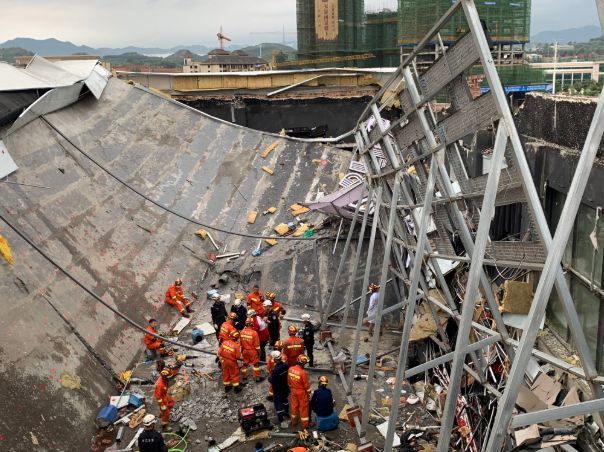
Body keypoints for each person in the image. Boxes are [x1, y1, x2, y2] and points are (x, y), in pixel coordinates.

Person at [288, 354, 311, 429]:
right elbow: (306, 386)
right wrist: (308, 393)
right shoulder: (302, 373)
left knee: (294, 406)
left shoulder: (290, 369)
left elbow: (289, 381)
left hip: (293, 390)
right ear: (303, 363)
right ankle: (305, 425)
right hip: (301, 392)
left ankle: (293, 421)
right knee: (303, 407)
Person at [268, 350, 290, 428]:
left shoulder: (275, 370)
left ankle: (281, 418)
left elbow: (272, 380)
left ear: (275, 359)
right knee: (285, 400)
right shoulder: (286, 365)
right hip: (285, 387)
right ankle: (287, 412)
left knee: (278, 403)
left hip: (277, 389)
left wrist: (269, 378)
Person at [241, 318, 262, 382]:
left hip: (245, 350)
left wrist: (242, 351)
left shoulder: (242, 332)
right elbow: (257, 346)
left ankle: (244, 376)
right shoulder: (254, 333)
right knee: (255, 364)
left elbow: (241, 344)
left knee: (245, 364)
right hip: (252, 351)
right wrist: (259, 353)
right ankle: (257, 377)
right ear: (252, 324)